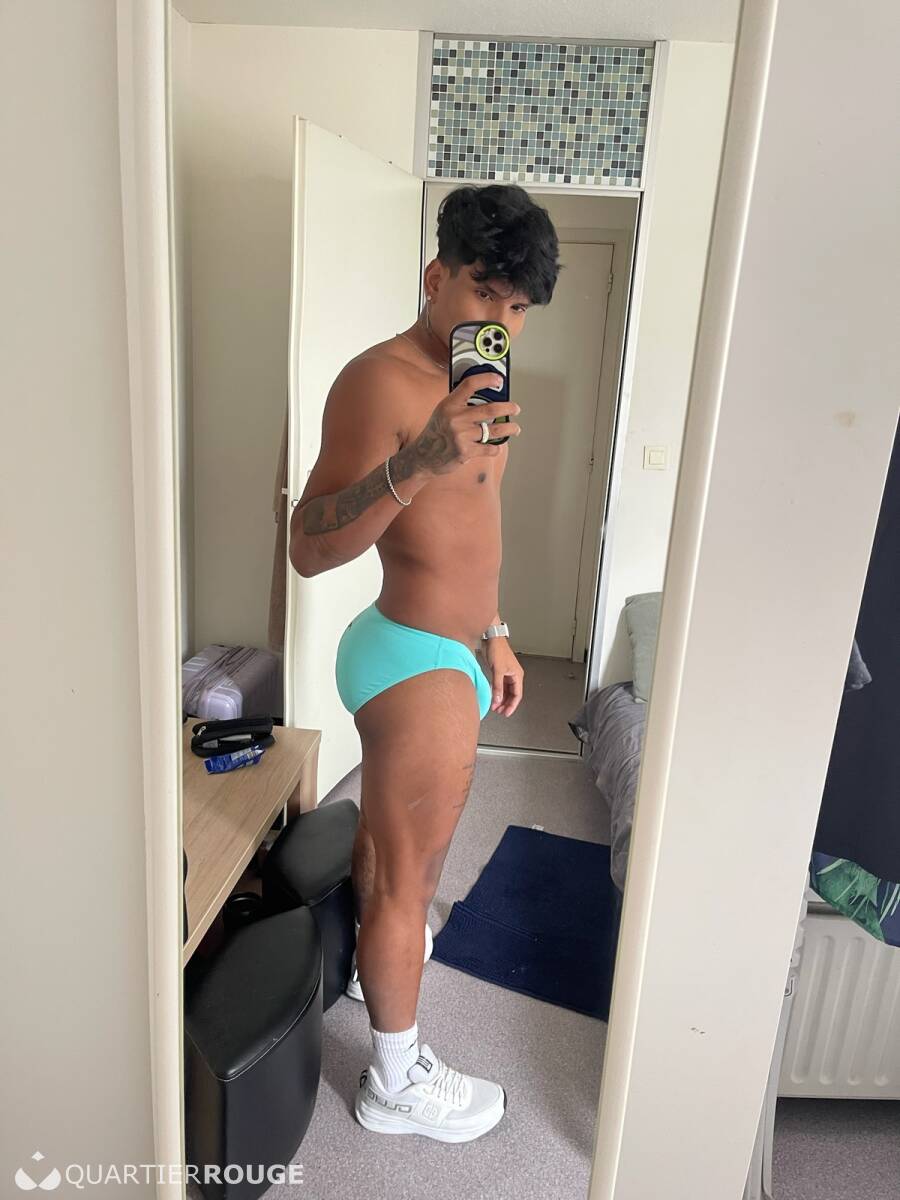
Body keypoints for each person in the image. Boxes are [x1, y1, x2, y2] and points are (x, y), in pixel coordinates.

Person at [289, 184, 560, 1142]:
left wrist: (495, 630)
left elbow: (475, 523)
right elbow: (307, 545)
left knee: (407, 859)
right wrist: (416, 460)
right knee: (412, 881)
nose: (503, 322)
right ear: (435, 275)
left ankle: (379, 963)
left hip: (459, 648)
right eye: (486, 294)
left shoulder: (483, 383)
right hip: (409, 653)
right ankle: (395, 1081)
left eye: (519, 307)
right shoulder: (380, 383)